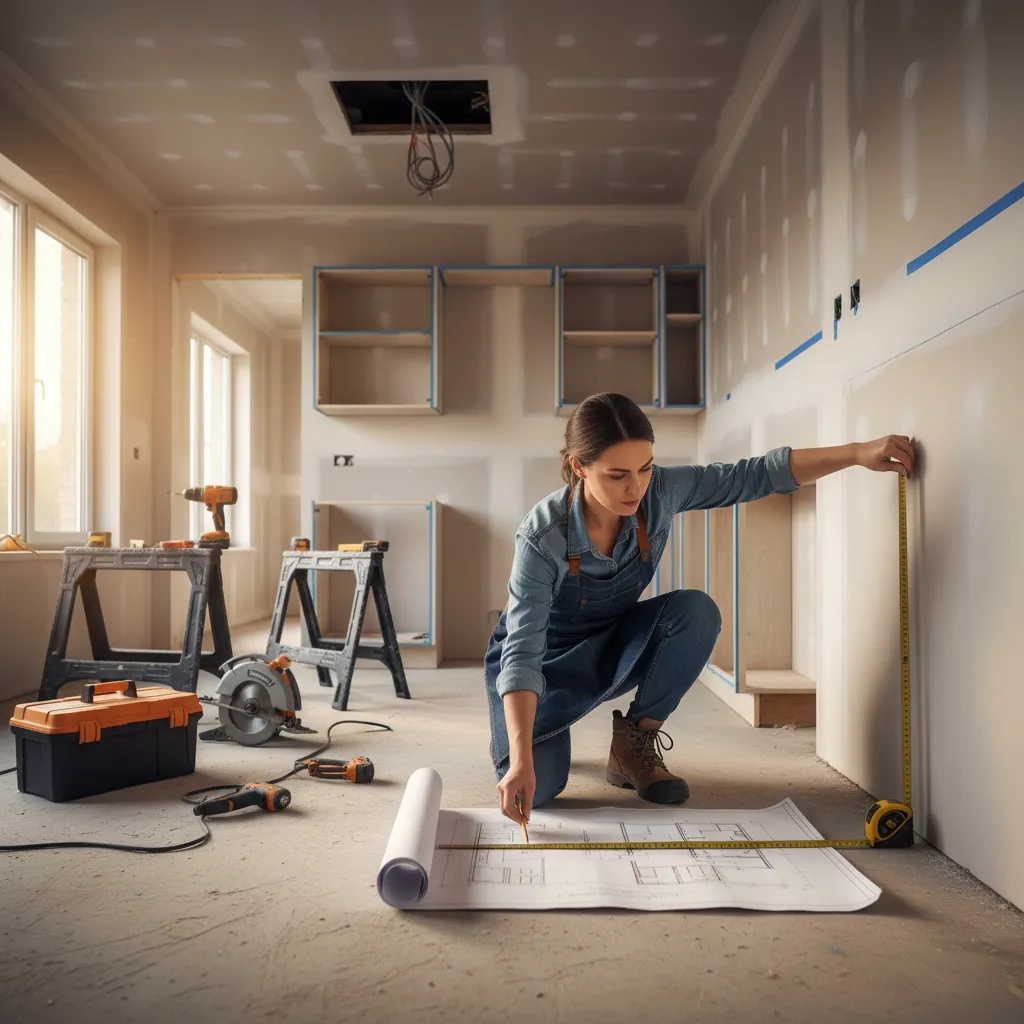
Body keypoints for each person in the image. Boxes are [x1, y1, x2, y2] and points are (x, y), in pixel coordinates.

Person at [485, 392, 915, 824]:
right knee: (541, 789)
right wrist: (521, 762)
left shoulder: (660, 492)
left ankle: (632, 746)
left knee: (695, 612)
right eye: (617, 475)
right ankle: (534, 747)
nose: (636, 488)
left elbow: (754, 475)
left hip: (612, 641)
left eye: (645, 468)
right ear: (579, 466)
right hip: (544, 660)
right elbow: (522, 654)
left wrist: (859, 453)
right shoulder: (543, 537)